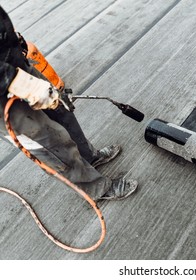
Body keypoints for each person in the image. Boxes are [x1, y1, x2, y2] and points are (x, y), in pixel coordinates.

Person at [0, 5, 137, 201]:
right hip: (3, 92)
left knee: (61, 109)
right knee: (48, 141)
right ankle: (95, 188)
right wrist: (12, 80)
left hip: (13, 63)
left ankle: (88, 157)